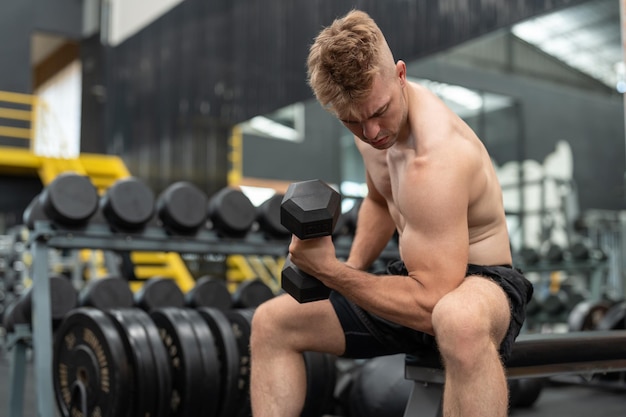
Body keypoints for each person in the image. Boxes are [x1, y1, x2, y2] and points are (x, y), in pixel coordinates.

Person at [249, 9, 533, 417]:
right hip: (417, 280)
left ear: (400, 74)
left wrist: (333, 273)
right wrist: (351, 266)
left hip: (480, 284)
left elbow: (433, 301)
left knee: (458, 320)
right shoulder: (371, 131)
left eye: (379, 112)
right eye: (353, 121)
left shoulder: (437, 158)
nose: (371, 132)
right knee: (272, 322)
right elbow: (380, 201)